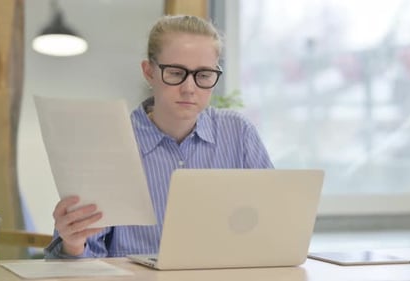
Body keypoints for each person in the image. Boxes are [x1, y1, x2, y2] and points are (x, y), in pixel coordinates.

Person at [44, 15, 273, 258]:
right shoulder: (109, 143)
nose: (189, 88)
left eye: (204, 75)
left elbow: (274, 226)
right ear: (149, 72)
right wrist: (73, 245)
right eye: (175, 73)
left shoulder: (239, 133)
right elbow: (84, 263)